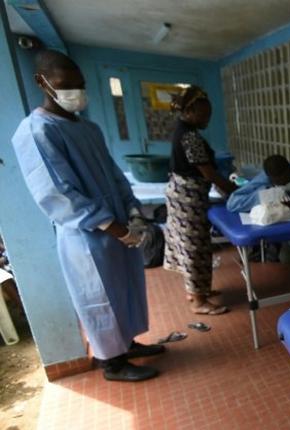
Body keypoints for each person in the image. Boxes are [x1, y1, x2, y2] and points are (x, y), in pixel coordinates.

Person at [12, 50, 163, 382]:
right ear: (42, 82)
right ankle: (112, 363)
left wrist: (133, 212)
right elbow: (56, 192)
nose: (75, 92)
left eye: (79, 85)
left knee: (124, 288)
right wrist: (111, 225)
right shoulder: (37, 132)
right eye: (66, 85)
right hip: (87, 237)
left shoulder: (88, 128)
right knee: (99, 297)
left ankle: (128, 344)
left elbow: (114, 173)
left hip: (118, 228)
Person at [164, 85, 238, 315]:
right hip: (188, 198)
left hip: (182, 193)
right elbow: (209, 173)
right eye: (204, 114)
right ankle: (198, 301)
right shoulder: (190, 137)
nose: (207, 118)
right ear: (190, 111)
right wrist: (233, 191)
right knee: (193, 248)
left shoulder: (183, 131)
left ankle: (197, 291)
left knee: (191, 245)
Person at [226, 154, 290, 213]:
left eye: (286, 180)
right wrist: (263, 195)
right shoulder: (265, 177)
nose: (284, 185)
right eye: (279, 183)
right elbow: (232, 204)